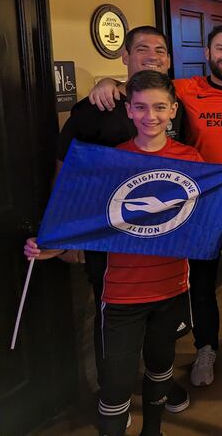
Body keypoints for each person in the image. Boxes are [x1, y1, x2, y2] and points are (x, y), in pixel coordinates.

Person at [25, 70, 222, 436]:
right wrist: (51, 247)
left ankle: (154, 430)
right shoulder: (113, 162)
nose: (150, 115)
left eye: (159, 107)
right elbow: (87, 218)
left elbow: (208, 210)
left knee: (160, 368)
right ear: (130, 112)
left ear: (172, 111)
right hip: (121, 292)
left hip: (170, 290)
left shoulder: (189, 158)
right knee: (117, 384)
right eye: (140, 107)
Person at [89, 23, 222, 386]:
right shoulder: (185, 89)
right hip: (198, 208)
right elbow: (140, 84)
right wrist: (107, 82)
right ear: (207, 54)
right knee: (200, 282)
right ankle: (205, 348)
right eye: (220, 49)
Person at [56, 25, 190, 414]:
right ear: (124, 56)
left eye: (161, 50)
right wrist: (68, 236)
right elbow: (66, 173)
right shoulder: (95, 107)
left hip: (161, 240)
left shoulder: (172, 100)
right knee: (113, 320)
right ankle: (114, 392)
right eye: (143, 48)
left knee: (161, 322)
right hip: (109, 244)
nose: (153, 55)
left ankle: (157, 385)